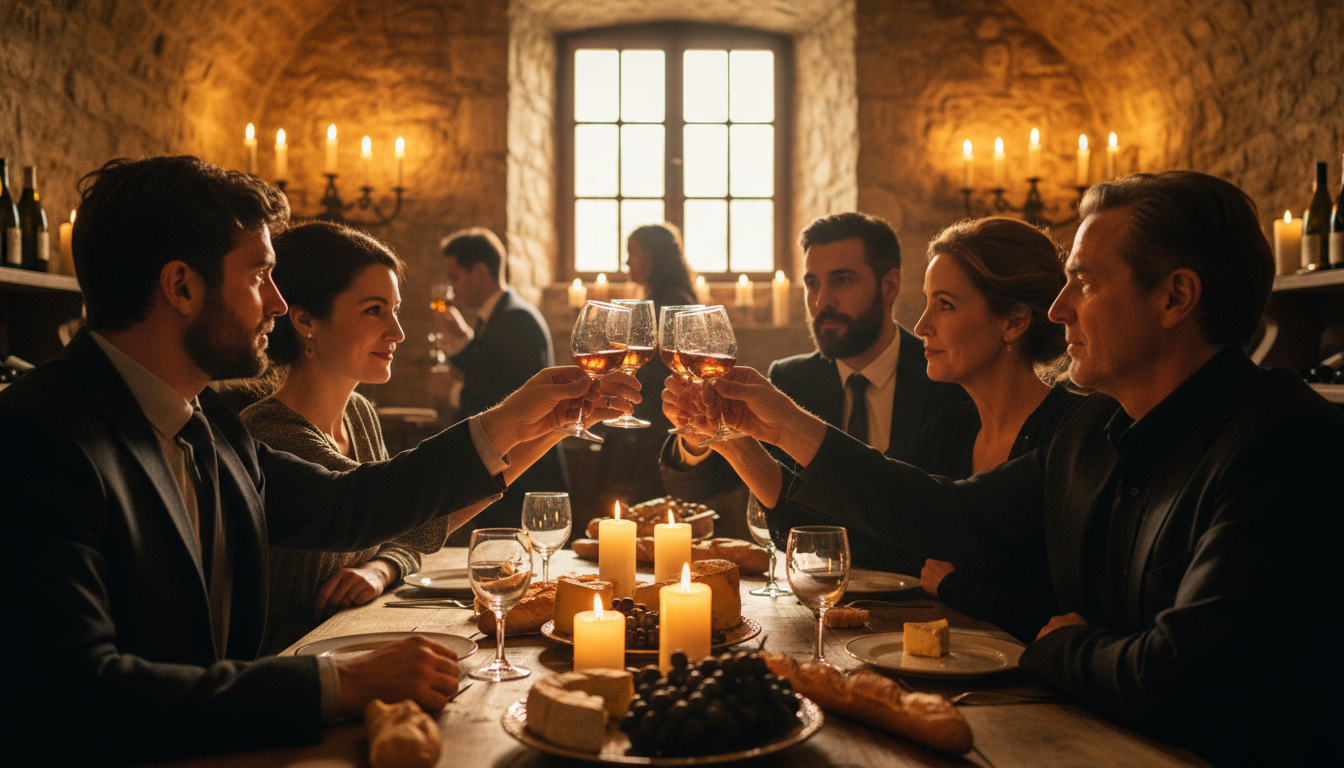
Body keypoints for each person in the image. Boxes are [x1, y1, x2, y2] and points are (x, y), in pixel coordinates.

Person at [0, 156, 639, 764]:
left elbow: (352, 504)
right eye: (258, 277)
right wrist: (335, 681)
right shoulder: (39, 435)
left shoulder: (207, 423)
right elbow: (77, 695)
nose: (278, 304)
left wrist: (521, 418)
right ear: (182, 286)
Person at [695, 171, 1343, 766]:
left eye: (1084, 282)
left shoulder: (1287, 445)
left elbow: (1177, 682)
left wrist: (1056, 645)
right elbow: (944, 513)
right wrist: (779, 424)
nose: (1057, 309)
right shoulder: (1097, 430)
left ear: (1175, 296)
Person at [660, 212, 967, 573]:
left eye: (842, 280)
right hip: (813, 589)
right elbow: (704, 487)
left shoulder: (945, 377)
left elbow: (929, 511)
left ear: (890, 286)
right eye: (812, 283)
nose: (822, 301)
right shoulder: (791, 379)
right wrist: (698, 440)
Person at [241, 222, 458, 655]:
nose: (397, 332)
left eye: (394, 309)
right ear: (304, 319)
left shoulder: (359, 413)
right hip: (289, 679)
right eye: (375, 310)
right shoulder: (269, 433)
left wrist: (382, 569)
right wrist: (536, 421)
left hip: (354, 646)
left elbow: (400, 532)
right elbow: (413, 515)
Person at [900, 217, 1083, 642]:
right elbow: (876, 512)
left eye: (944, 304)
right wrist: (745, 444)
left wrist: (954, 586)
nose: (921, 325)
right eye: (927, 302)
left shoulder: (1071, 433)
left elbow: (1059, 609)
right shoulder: (952, 427)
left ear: (1014, 322)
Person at [433, 227, 567, 537]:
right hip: (506, 472)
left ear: (479, 271)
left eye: (455, 277)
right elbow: (490, 366)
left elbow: (522, 400)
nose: (452, 290)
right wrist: (461, 343)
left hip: (524, 479)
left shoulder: (517, 319)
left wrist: (453, 391)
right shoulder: (499, 315)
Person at [593, 223, 701, 507]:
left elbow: (666, 374)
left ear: (655, 257)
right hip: (643, 426)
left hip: (656, 433)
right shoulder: (657, 300)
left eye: (632, 253)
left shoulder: (672, 303)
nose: (626, 261)